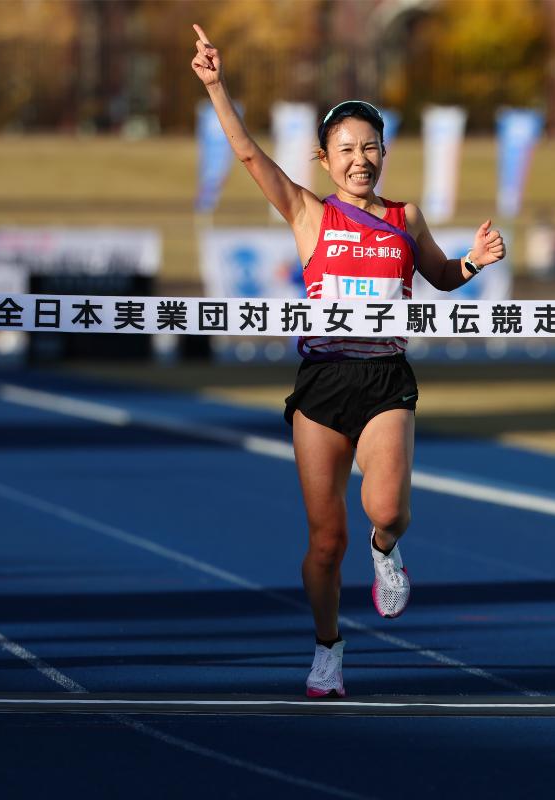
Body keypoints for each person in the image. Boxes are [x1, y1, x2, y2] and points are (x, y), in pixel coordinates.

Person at [190, 23, 506, 698]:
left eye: (370, 147)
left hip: (386, 378)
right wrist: (216, 85)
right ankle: (327, 648)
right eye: (346, 149)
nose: (361, 159)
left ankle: (386, 552)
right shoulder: (309, 214)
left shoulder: (404, 217)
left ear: (384, 152)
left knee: (387, 511)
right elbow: (247, 154)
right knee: (326, 540)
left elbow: (440, 276)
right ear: (325, 159)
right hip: (323, 383)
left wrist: (474, 261)